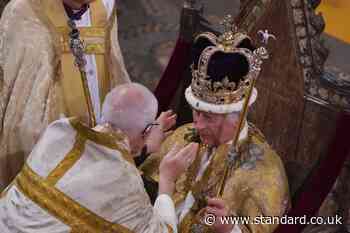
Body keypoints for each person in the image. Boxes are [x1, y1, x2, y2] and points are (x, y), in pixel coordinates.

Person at [141, 18, 290, 233]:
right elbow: (140, 191)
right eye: (196, 112)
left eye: (209, 117)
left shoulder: (266, 171)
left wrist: (231, 229)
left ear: (237, 117)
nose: (197, 125)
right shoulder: (184, 135)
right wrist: (146, 149)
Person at [0, 83, 198, 233]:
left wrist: (143, 145)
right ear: (147, 131)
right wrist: (166, 181)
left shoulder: (58, 132)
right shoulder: (124, 182)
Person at [0, 0, 130, 190]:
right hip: (46, 132)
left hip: (98, 124)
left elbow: (113, 67)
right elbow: (17, 83)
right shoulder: (24, 10)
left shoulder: (104, 6)